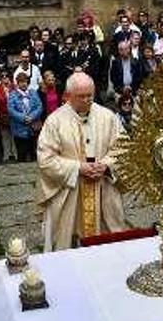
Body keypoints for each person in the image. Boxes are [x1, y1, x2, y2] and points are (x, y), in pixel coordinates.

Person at [36, 73, 126, 251]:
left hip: (103, 189)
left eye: (90, 95)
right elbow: (46, 159)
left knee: (109, 245)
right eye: (81, 96)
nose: (87, 100)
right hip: (70, 193)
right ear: (68, 96)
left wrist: (106, 164)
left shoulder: (108, 117)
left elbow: (123, 147)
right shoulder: (55, 121)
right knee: (67, 245)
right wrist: (78, 168)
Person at [9, 73, 44, 163]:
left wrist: (32, 117)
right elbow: (11, 110)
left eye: (25, 81)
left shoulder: (33, 92)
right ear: (17, 83)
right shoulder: (12, 94)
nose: (24, 84)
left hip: (33, 128)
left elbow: (39, 106)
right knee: (21, 154)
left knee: (34, 153)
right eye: (21, 82)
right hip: (19, 129)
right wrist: (23, 118)